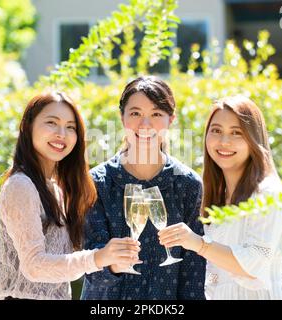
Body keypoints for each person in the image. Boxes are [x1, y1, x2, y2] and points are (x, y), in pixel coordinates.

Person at [0, 92, 141, 300]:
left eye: (71, 127)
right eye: (51, 123)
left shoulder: (56, 188)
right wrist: (97, 257)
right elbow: (34, 266)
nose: (62, 133)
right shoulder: (21, 186)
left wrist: (111, 258)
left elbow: (64, 261)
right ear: (27, 126)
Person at [81, 76, 206, 300]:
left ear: (171, 120)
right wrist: (113, 264)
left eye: (156, 114)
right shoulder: (97, 183)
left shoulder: (188, 184)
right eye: (136, 113)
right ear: (122, 118)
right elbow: (89, 269)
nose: (145, 125)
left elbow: (194, 275)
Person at [159, 96, 282, 300]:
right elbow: (215, 275)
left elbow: (253, 265)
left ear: (253, 139)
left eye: (236, 133)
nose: (224, 142)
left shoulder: (268, 194)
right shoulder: (217, 196)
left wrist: (198, 243)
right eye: (216, 131)